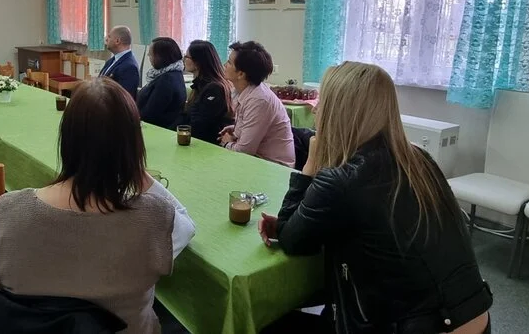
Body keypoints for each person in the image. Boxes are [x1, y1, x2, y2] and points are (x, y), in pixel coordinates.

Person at [259, 62, 492, 334]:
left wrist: (311, 164)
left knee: (263, 324)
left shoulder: (341, 180)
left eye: (323, 101)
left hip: (418, 326)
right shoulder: (418, 159)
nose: (315, 109)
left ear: (339, 112)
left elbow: (290, 240)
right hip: (473, 318)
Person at [0, 78, 195, 334]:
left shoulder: (7, 209)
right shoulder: (153, 217)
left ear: (66, 138)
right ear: (132, 145)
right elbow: (186, 226)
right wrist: (138, 173)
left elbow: (0, 285)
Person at [219, 41, 294, 167]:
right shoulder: (242, 91)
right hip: (256, 159)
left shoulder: (259, 100)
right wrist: (237, 129)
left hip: (273, 166)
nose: (225, 65)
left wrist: (226, 143)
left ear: (241, 74)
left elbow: (244, 152)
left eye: (229, 62)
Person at [173, 40, 232, 144]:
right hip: (195, 140)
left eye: (187, 57)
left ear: (197, 62)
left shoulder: (214, 89)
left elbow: (200, 124)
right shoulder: (199, 85)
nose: (184, 59)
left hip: (206, 144)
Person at [136, 37, 186, 129]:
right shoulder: (174, 73)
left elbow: (150, 113)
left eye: (151, 54)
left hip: (157, 129)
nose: (148, 55)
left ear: (161, 56)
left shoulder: (166, 80)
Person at [100, 26, 140, 99]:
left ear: (117, 41)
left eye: (109, 37)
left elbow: (124, 99)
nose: (106, 39)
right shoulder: (112, 60)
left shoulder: (130, 67)